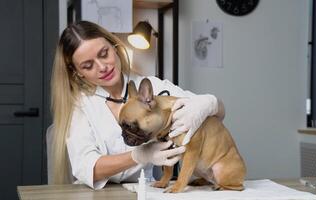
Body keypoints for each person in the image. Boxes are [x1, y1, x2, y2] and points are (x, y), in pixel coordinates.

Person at [50, 20, 226, 189]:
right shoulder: (80, 106)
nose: (102, 67)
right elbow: (87, 168)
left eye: (104, 54)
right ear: (78, 73)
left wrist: (210, 103)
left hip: (144, 188)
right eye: (88, 66)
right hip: (97, 194)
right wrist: (140, 155)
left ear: (115, 47)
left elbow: (217, 115)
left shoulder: (153, 87)